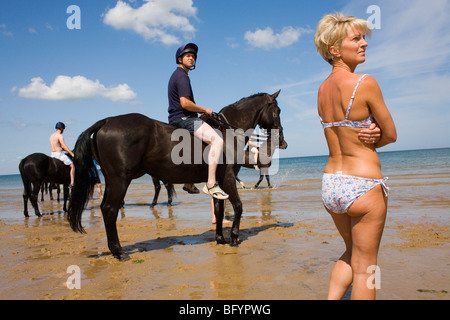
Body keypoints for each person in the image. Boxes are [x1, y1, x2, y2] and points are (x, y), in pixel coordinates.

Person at [314, 13, 397, 300]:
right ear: (335, 50)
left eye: (363, 38)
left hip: (331, 185)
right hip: (363, 185)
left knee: (351, 253)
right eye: (356, 39)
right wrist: (377, 135)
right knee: (365, 268)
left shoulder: (322, 90)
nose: (364, 44)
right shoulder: (365, 82)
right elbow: (391, 135)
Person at [168, 43, 228, 200]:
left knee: (198, 145)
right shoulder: (182, 76)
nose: (191, 58)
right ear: (179, 59)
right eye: (188, 56)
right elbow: (185, 104)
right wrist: (204, 109)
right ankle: (211, 184)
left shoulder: (178, 75)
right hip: (184, 118)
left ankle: (189, 181)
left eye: (193, 56)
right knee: (217, 141)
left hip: (177, 118)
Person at [50, 122, 75, 187]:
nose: (63, 130)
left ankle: (53, 183)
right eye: (63, 128)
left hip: (52, 154)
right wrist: (71, 153)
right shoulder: (60, 136)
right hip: (59, 155)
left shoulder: (51, 136)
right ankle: (72, 183)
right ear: (61, 128)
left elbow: (57, 146)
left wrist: (62, 149)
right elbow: (64, 146)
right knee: (72, 165)